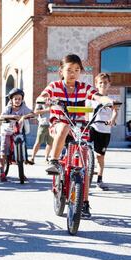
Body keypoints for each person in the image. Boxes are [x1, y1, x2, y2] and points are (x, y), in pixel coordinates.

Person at [37, 54, 113, 218]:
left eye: (77, 70)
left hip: (80, 127)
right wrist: (47, 100)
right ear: (61, 71)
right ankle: (54, 161)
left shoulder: (84, 88)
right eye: (69, 70)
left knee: (84, 167)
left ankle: (84, 202)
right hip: (59, 125)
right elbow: (41, 97)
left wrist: (106, 100)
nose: (73, 73)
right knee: (64, 126)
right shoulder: (55, 86)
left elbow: (97, 95)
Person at [88, 73, 118, 191]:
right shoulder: (91, 99)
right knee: (85, 152)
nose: (103, 85)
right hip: (92, 127)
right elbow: (86, 112)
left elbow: (115, 112)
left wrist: (112, 120)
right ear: (96, 84)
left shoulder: (112, 100)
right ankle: (83, 175)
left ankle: (99, 179)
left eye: (105, 83)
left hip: (105, 130)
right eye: (100, 83)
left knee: (100, 156)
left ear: (109, 84)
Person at [0, 88, 34, 182]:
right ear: (11, 100)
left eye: (19, 99)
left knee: (23, 145)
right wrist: (12, 116)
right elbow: (1, 116)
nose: (18, 101)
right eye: (15, 99)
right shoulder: (8, 108)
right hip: (7, 131)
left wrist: (23, 117)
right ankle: (2, 172)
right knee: (4, 150)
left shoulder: (23, 107)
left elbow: (32, 113)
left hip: (18, 131)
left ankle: (23, 165)